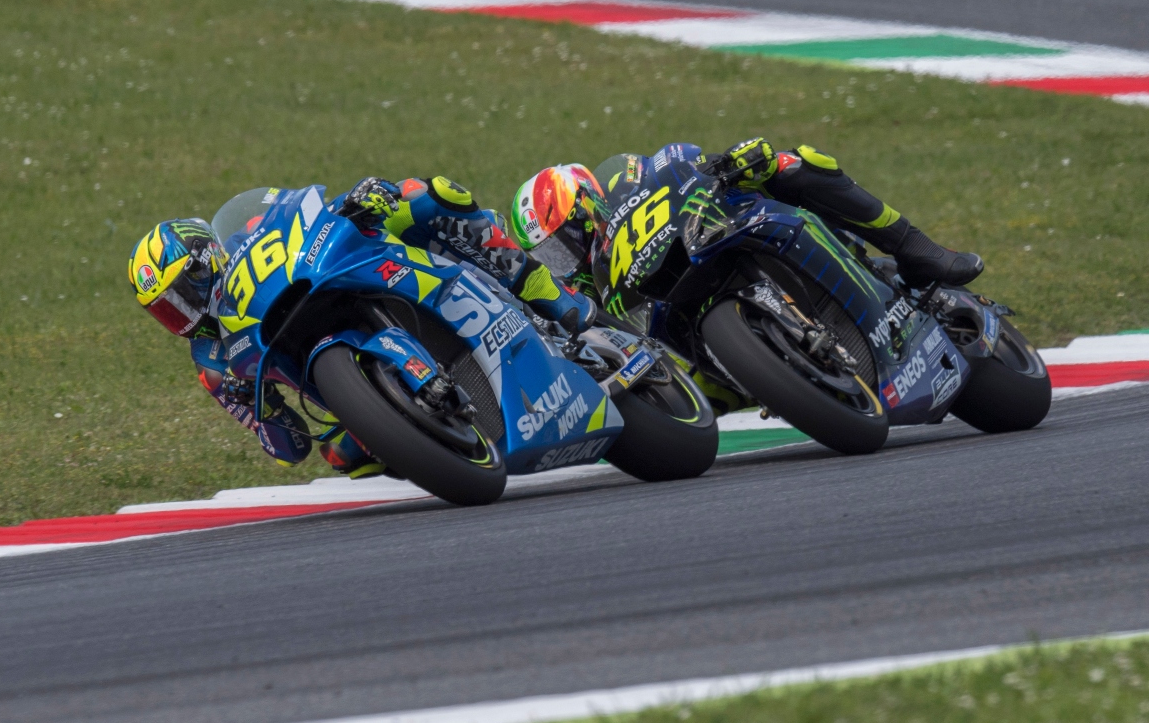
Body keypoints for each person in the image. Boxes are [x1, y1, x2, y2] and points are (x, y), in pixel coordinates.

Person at [129, 177, 596, 477]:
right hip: (329, 378)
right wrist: (258, 411)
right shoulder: (210, 361)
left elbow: (301, 211)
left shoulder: (244, 234)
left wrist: (361, 196)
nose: (182, 313)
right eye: (166, 311)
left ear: (203, 258)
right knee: (342, 457)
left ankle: (545, 291)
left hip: (328, 279)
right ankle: (424, 432)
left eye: (180, 294)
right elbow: (289, 448)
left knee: (429, 195)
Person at [506, 141, 985, 413]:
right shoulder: (585, 290)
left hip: (714, 231)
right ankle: (784, 369)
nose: (564, 256)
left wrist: (732, 162)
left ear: (586, 204)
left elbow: (678, 161)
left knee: (793, 163)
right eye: (549, 253)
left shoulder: (626, 181)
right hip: (690, 340)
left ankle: (918, 249)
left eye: (564, 238)